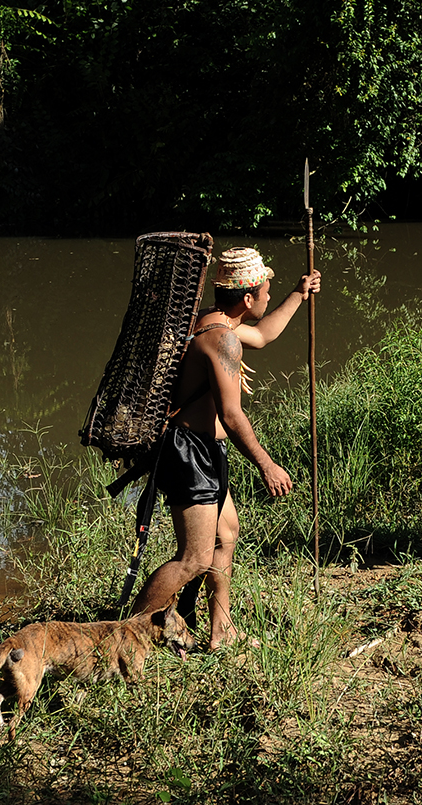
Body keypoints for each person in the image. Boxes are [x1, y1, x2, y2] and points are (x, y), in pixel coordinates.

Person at [128, 247, 320, 648]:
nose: (268, 297)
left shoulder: (215, 324)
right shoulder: (223, 342)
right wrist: (266, 464)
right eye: (266, 291)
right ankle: (122, 637)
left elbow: (265, 335)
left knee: (226, 533)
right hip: (188, 453)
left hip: (206, 451)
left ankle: (221, 630)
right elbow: (232, 416)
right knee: (194, 557)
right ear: (248, 299)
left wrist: (298, 294)